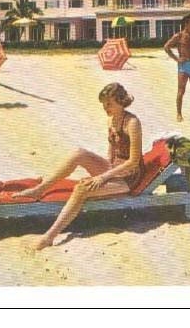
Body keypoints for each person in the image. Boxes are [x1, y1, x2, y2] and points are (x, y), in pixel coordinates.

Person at [15, 83, 144, 250]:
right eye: (104, 104)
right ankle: (41, 189)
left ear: (121, 101)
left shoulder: (132, 123)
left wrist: (103, 177)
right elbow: (111, 151)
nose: (106, 108)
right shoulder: (112, 120)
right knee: (79, 153)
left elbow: (133, 161)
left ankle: (49, 236)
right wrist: (105, 172)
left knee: (81, 189)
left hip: (129, 176)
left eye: (109, 104)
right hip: (114, 170)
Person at [164, 14, 190, 122]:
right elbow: (166, 47)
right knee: (181, 91)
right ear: (186, 24)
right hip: (183, 66)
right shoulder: (179, 36)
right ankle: (178, 113)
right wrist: (176, 59)